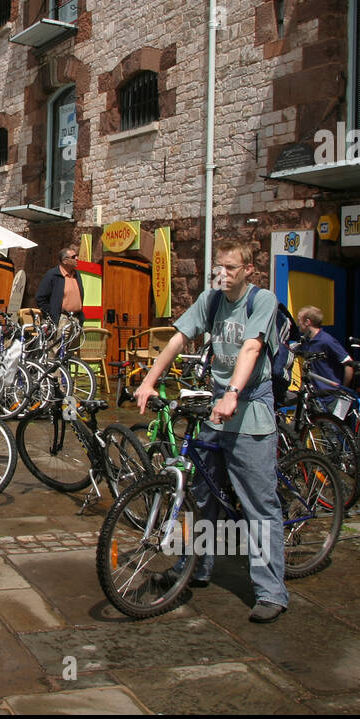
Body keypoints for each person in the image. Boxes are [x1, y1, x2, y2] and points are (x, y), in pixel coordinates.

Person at [134, 237, 287, 624]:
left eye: (230, 268)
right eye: (218, 266)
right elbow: (179, 338)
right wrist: (150, 380)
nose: (222, 274)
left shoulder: (262, 300)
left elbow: (251, 348)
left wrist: (233, 393)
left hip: (251, 407)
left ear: (248, 270)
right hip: (217, 407)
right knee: (201, 495)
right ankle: (196, 567)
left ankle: (271, 592)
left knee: (258, 505)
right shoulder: (213, 297)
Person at [295, 305, 354, 401]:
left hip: (330, 396)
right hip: (315, 396)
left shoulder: (326, 341)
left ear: (307, 322)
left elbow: (349, 364)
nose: (298, 324)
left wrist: (343, 389)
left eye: (299, 320)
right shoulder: (306, 340)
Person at [34, 246, 84, 348]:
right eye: (74, 257)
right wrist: (52, 313)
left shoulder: (76, 275)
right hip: (61, 319)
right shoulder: (53, 275)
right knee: (56, 349)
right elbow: (40, 298)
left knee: (70, 350)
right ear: (65, 260)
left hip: (75, 318)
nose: (77, 258)